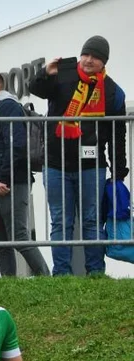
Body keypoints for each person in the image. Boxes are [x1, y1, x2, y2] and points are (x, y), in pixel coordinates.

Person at [29, 35, 128, 276]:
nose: (88, 60)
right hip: (56, 163)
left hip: (92, 165)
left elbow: (118, 133)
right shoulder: (62, 74)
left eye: (95, 57)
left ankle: (95, 272)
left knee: (92, 220)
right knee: (61, 221)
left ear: (104, 62)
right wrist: (46, 72)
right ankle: (61, 273)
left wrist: (118, 170)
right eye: (86, 54)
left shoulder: (113, 91)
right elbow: (36, 89)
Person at [0, 70, 50, 277]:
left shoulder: (7, 107)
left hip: (10, 183)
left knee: (18, 236)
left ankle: (45, 276)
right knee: (1, 240)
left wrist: (4, 178)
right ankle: (9, 282)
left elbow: (16, 144)